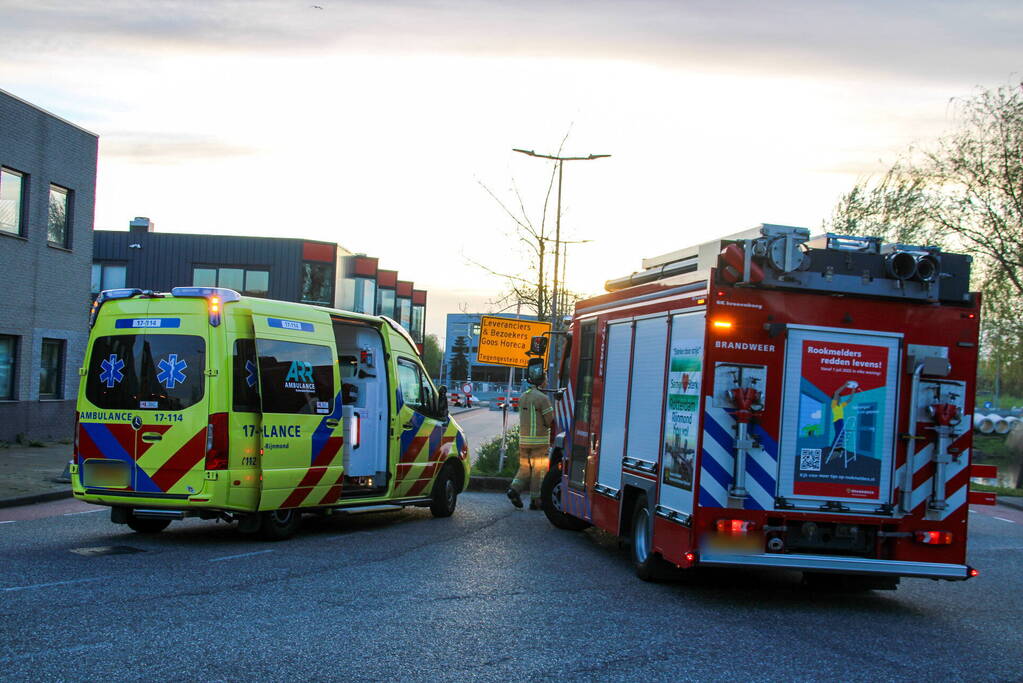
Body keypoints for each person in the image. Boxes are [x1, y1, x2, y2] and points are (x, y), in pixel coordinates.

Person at [507, 372, 555, 510]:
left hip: (524, 440)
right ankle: (536, 501)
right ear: (541, 382)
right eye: (546, 379)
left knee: (525, 467)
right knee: (538, 470)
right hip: (539, 441)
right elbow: (549, 421)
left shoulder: (523, 397)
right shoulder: (543, 398)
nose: (546, 382)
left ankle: (514, 489)